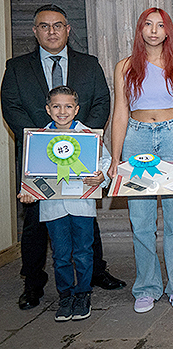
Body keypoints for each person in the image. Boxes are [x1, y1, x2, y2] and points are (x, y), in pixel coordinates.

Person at [1, 4, 124, 311]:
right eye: (44, 26)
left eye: (58, 25)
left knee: (84, 217)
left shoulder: (89, 64)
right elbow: (11, 106)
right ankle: (33, 282)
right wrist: (43, 139)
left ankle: (95, 272)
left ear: (68, 30)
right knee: (35, 221)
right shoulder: (17, 67)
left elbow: (102, 101)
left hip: (81, 153)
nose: (51, 31)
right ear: (35, 31)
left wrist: (84, 138)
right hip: (38, 158)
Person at [107, 7, 173, 314]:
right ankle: (146, 287)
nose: (154, 30)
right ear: (140, 30)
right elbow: (120, 112)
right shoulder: (125, 67)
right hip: (137, 139)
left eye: (160, 25)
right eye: (148, 24)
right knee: (141, 221)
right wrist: (115, 157)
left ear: (168, 31)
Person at [17, 86, 112, 322]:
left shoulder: (89, 136)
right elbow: (30, 172)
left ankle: (83, 294)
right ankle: (66, 295)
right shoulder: (38, 139)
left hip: (82, 206)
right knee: (60, 255)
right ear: (48, 109)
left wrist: (101, 177)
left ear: (76, 109)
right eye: (56, 106)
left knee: (83, 252)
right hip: (53, 207)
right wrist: (28, 192)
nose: (62, 111)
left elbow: (105, 162)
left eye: (68, 106)